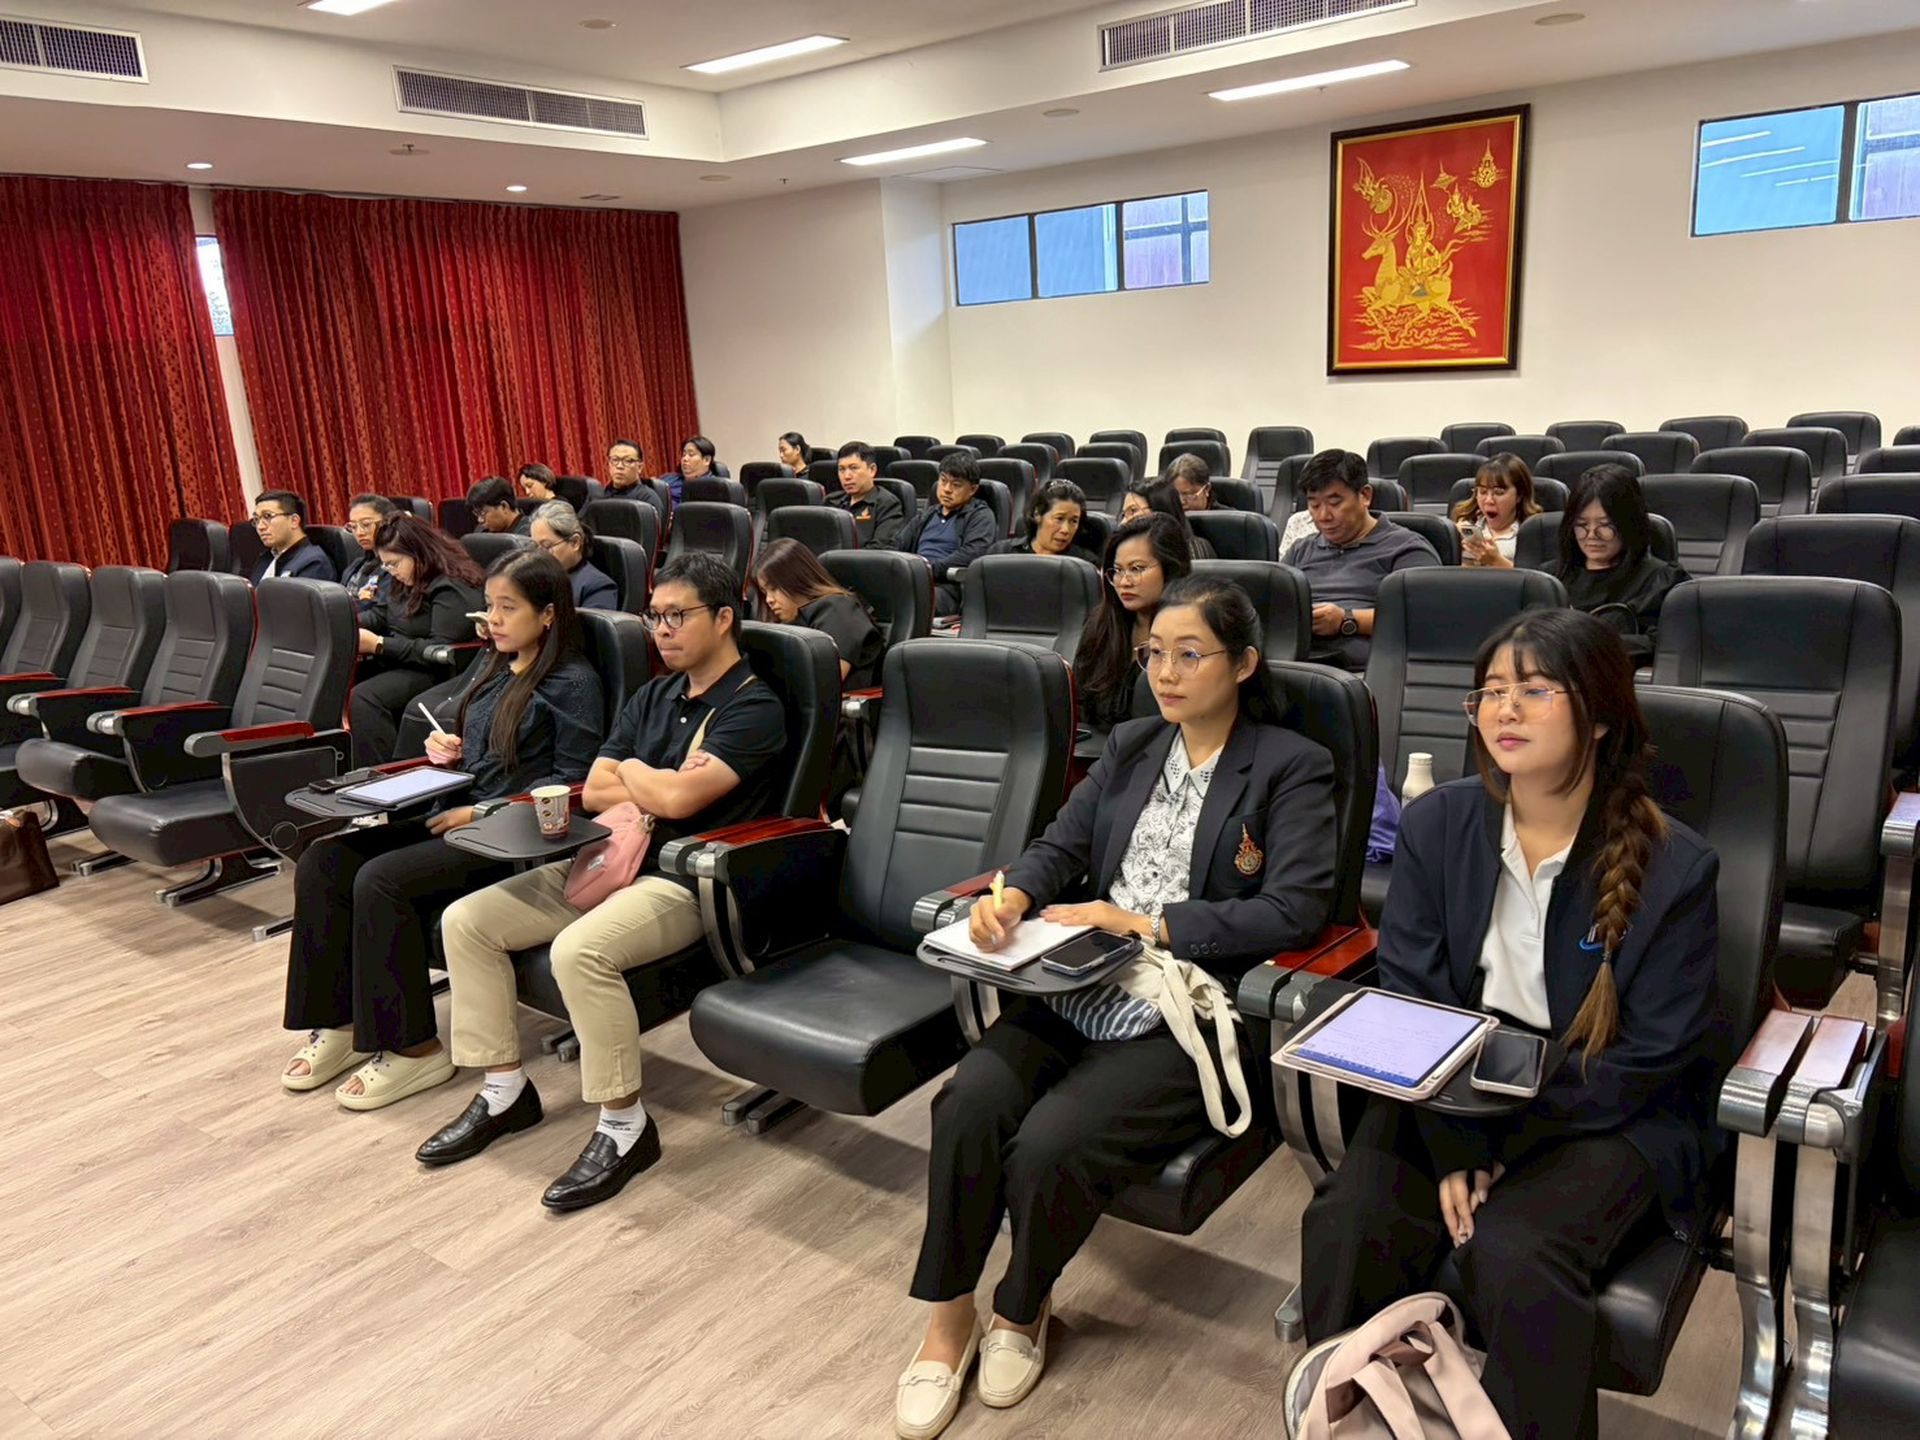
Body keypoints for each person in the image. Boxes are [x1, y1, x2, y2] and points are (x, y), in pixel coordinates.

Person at [896, 576, 1336, 1439]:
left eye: (1189, 655)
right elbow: (1060, 845)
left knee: (1049, 1143)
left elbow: (1295, 909)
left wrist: (1147, 922)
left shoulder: (1291, 764)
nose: (1165, 673)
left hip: (1186, 1001)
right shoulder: (1134, 744)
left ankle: (1022, 1307)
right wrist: (1014, 896)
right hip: (1080, 979)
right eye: (1153, 655)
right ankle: (947, 1319)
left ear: (1243, 664)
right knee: (968, 1102)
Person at [1301, 608, 1720, 1440]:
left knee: (1516, 1251)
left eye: (1534, 691)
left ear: (1599, 715)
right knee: (1350, 1217)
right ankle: (1352, 1417)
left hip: (1605, 1111)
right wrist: (1458, 1140)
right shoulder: (1438, 824)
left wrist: (1494, 1138)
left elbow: (1650, 1058)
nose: (1504, 710)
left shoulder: (1676, 864)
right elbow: (1414, 997)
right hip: (1453, 1091)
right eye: (1491, 692)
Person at [421, 554, 789, 1211]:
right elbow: (594, 789)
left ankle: (625, 1127)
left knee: (577, 951)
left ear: (724, 618)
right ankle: (504, 1092)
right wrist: (658, 779)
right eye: (655, 617)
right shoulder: (654, 696)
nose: (662, 630)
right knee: (467, 921)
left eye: (678, 616)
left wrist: (638, 775)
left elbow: (678, 803)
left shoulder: (755, 706)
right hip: (609, 855)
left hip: (687, 877)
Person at [281, 550, 605, 1110]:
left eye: (507, 608)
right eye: (489, 607)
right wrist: (447, 750)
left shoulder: (572, 682)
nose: (492, 620)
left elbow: (572, 782)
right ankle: (339, 1022)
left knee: (381, 879)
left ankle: (415, 1049)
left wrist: (482, 813)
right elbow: (480, 747)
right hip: (458, 811)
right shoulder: (495, 663)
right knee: (324, 860)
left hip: (511, 835)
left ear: (548, 613)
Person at [1281, 449, 1440, 671]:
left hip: (1366, 672)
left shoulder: (1407, 549)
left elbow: (1426, 619)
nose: (1323, 516)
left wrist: (1347, 620)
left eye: (1334, 503)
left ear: (1365, 496)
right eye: (1314, 505)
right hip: (1294, 665)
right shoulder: (1301, 550)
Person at [349, 513, 488, 767]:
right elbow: (382, 614)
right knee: (350, 678)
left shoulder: (452, 584)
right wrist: (346, 624)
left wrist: (380, 644)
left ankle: (386, 771)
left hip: (442, 670)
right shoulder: (404, 579)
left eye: (394, 564)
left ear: (418, 553)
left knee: (365, 697)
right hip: (406, 659)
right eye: (385, 566)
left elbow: (441, 650)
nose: (391, 572)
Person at [1541, 466, 1686, 663]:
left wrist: (1588, 642)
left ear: (1629, 524)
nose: (1592, 535)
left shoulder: (1660, 581)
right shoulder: (1548, 579)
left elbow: (1665, 645)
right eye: (1582, 525)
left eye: (1605, 525)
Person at [1073, 514, 1193, 736]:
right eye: (1117, 571)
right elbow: (1079, 704)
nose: (1124, 581)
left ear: (1171, 569)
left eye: (1136, 569)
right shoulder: (1100, 626)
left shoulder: (1193, 635)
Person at [752, 537, 883, 686]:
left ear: (796, 579)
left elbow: (823, 683)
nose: (769, 599)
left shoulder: (838, 611)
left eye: (774, 588)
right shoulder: (785, 621)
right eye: (765, 592)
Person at [895, 451, 998, 616]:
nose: (947, 489)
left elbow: (972, 554)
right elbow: (898, 545)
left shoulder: (981, 516)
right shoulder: (927, 515)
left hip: (949, 587)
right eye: (943, 481)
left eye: (956, 485)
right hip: (914, 579)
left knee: (905, 600)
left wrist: (927, 570)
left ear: (972, 489)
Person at [1455, 453, 1541, 568]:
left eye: (1498, 492)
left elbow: (1535, 578)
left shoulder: (1534, 533)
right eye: (1483, 492)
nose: (1489, 500)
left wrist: (1496, 561)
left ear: (1519, 495)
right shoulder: (1467, 526)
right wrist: (1453, 543)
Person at [529, 500, 618, 611]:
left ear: (575, 542)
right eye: (535, 546)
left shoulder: (597, 587)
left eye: (547, 546)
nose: (540, 555)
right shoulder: (534, 578)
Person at [988, 480, 1101, 563]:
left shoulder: (1085, 564)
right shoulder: (1001, 552)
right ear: (1037, 514)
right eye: (1059, 519)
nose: (1065, 530)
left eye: (1074, 521)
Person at [249, 491, 338, 584]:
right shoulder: (266, 558)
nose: (260, 527)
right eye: (256, 519)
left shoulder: (314, 563)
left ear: (294, 521)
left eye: (267, 516)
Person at [830, 441, 907, 548]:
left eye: (854, 468)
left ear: (872, 470)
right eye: (841, 469)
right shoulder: (831, 502)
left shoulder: (887, 504)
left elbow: (880, 548)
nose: (846, 476)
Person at [1120, 476, 1215, 560]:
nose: (1123, 523)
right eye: (1124, 515)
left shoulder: (1195, 551)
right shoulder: (1124, 552)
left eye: (1133, 511)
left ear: (1160, 511)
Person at [343, 494, 397, 606]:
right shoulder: (357, 563)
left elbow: (382, 611)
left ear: (388, 522)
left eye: (366, 524)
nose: (359, 533)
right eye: (353, 527)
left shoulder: (395, 566)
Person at [661, 435, 720, 506]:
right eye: (684, 454)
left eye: (691, 455)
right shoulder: (668, 480)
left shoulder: (715, 488)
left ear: (706, 460)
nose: (685, 459)